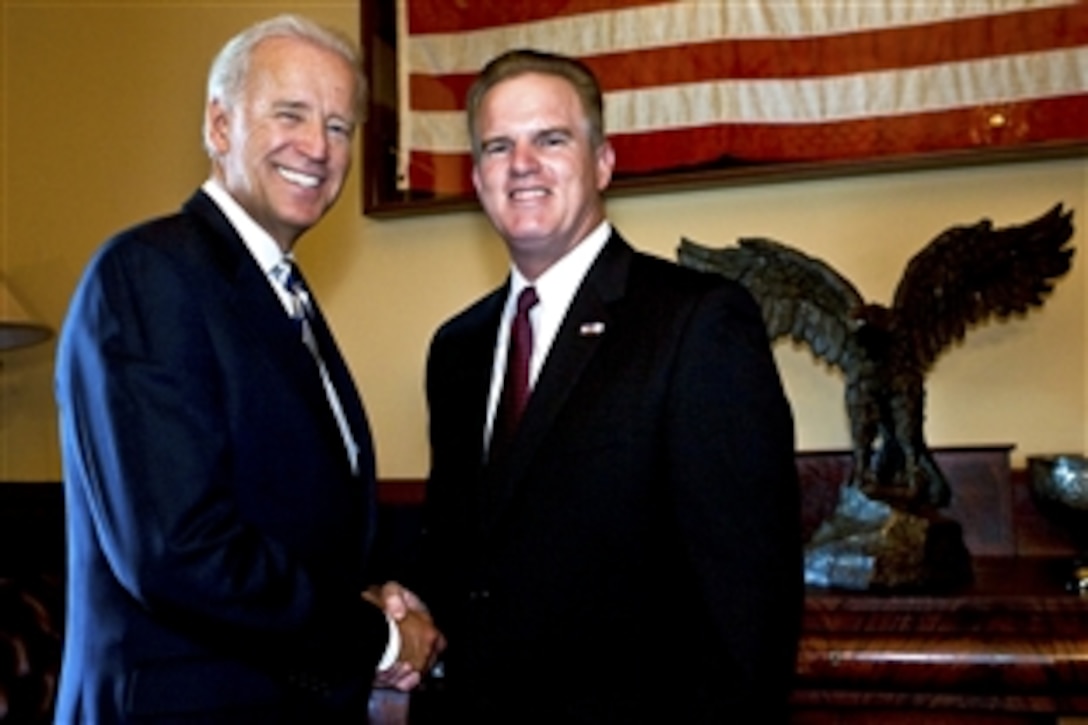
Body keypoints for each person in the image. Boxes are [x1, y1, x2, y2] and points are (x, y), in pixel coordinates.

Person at [53, 14, 442, 723]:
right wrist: (380, 638)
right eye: (290, 114)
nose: (318, 148)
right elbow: (178, 550)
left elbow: (294, 519)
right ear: (220, 125)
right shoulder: (147, 273)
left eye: (339, 126)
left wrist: (375, 595)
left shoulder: (279, 294)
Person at [408, 49, 804, 723]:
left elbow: (751, 603)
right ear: (477, 179)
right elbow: (463, 558)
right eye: (499, 146)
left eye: (551, 139)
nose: (522, 164)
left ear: (603, 163)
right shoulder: (456, 348)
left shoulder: (696, 322)